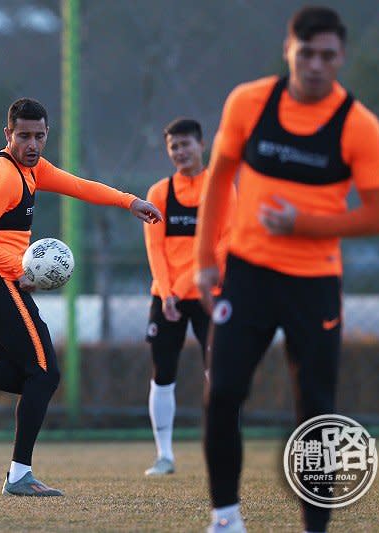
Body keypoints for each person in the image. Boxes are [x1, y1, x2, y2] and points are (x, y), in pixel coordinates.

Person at [194, 7, 379, 533]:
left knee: (317, 412)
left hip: (315, 285)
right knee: (223, 393)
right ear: (288, 50)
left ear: (341, 58)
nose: (315, 66)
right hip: (247, 275)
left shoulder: (358, 125)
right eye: (306, 54)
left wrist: (300, 222)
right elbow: (218, 182)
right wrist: (203, 263)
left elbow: (378, 216)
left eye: (327, 56)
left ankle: (316, 528)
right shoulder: (249, 102)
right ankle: (225, 517)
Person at [0, 97, 163, 497]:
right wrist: (19, 266)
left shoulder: (33, 169)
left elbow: (79, 186)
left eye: (38, 136)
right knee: (45, 375)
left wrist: (130, 201)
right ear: (7, 134)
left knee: (34, 376)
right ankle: (19, 476)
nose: (32, 144)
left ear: (47, 135)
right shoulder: (3, 176)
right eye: (23, 136)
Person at [142, 118, 234, 476]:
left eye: (186, 145)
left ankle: (224, 449)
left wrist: (181, 288)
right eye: (173, 147)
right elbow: (155, 250)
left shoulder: (222, 187)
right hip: (166, 298)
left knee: (221, 373)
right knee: (163, 373)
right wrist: (167, 293)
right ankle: (164, 455)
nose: (180, 152)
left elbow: (225, 244)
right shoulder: (159, 193)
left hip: (210, 295)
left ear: (201, 144)